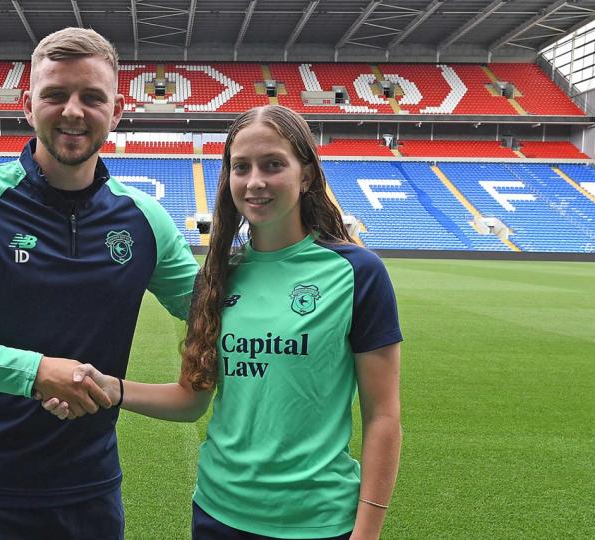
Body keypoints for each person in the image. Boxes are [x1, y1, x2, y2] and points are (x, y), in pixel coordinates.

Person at [0, 27, 199, 539]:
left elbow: (213, 307)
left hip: (91, 491)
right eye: (55, 95)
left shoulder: (145, 219)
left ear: (117, 110)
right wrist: (34, 371)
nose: (73, 111)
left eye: (91, 97)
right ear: (27, 105)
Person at [45, 105, 403, 540]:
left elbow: (383, 415)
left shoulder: (357, 272)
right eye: (241, 167)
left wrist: (367, 532)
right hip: (218, 514)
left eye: (273, 165)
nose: (255, 181)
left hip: (318, 521)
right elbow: (191, 399)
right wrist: (111, 388)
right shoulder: (218, 275)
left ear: (306, 175)